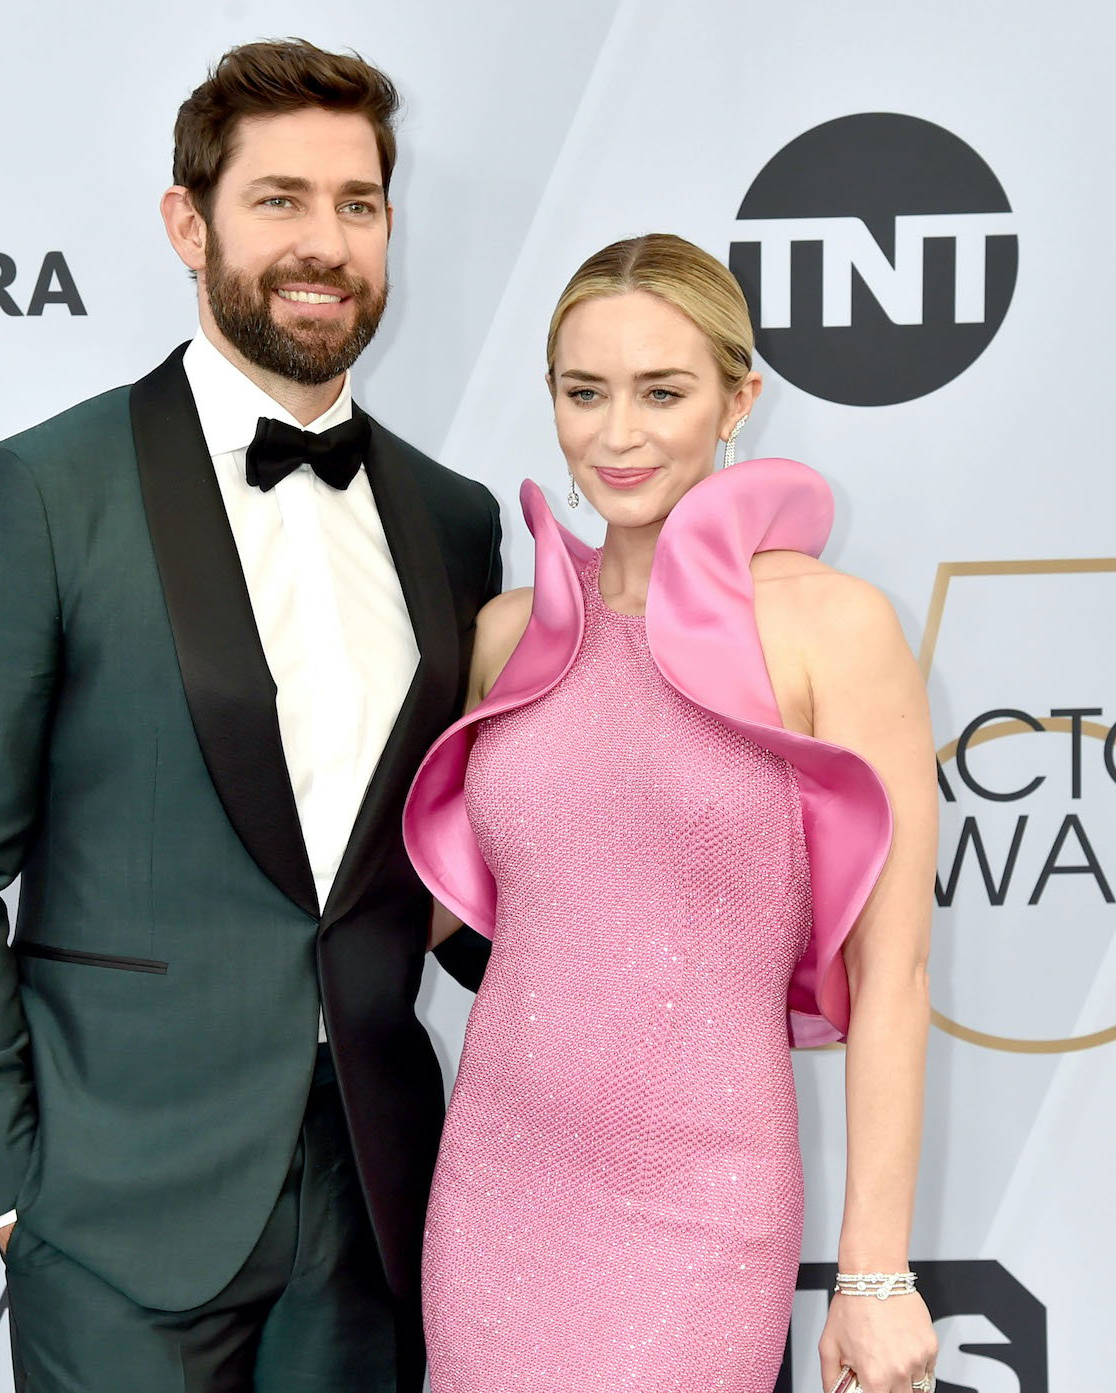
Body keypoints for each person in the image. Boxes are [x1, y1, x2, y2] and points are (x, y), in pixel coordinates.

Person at [0, 40, 500, 1393]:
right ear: (188, 222)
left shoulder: (455, 522)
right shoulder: (37, 494)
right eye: (278, 199)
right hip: (115, 1200)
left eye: (357, 204)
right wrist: (5, 1179)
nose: (323, 243)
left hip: (378, 1196)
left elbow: (466, 859)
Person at [404, 234, 942, 1393]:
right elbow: (434, 917)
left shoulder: (835, 629)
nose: (617, 433)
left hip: (700, 1206)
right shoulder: (507, 633)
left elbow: (892, 976)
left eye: (663, 391)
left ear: (739, 399)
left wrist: (873, 1274)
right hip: (494, 1187)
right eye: (582, 392)